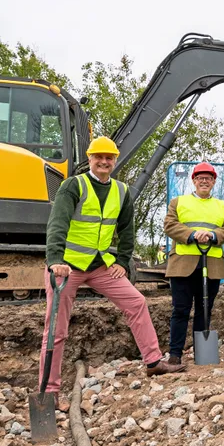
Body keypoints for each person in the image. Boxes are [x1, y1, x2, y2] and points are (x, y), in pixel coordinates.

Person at [40, 136, 184, 404]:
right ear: (90, 159)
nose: (104, 162)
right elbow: (57, 223)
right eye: (99, 157)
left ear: (115, 161)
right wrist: (55, 260)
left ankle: (153, 361)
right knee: (56, 329)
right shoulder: (74, 185)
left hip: (100, 266)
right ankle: (49, 391)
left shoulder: (121, 191)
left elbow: (127, 229)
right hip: (67, 267)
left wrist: (121, 261)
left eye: (109, 158)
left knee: (137, 301)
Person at [163, 161, 224, 365]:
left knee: (204, 310)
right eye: (200, 178)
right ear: (194, 181)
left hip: (211, 263)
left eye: (208, 178)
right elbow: (169, 225)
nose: (204, 181)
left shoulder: (222, 206)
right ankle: (175, 353)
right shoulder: (178, 202)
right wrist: (193, 234)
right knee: (180, 309)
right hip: (182, 265)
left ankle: (200, 352)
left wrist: (212, 235)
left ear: (213, 182)